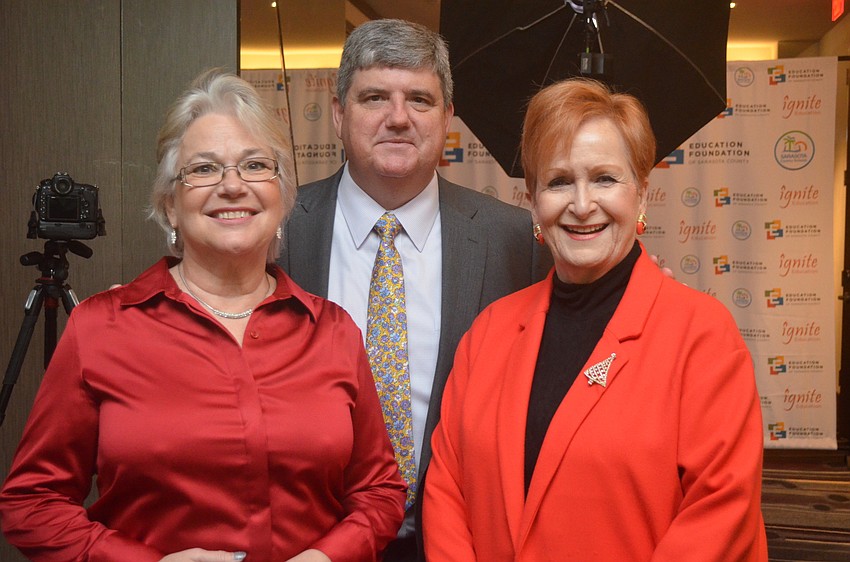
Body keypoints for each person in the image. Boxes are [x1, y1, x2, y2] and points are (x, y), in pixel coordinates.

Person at [0, 69, 405, 562]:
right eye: (205, 169)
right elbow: (32, 504)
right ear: (171, 204)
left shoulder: (333, 332)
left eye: (255, 165)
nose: (232, 186)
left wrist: (329, 556)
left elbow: (380, 491)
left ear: (281, 196)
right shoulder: (101, 329)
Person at [423, 78, 768, 561]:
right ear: (533, 200)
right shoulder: (489, 332)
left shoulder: (702, 336)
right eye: (559, 181)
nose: (582, 205)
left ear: (642, 195)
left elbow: (721, 514)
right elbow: (446, 487)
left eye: (605, 178)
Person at [278, 19, 551, 561]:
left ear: (448, 118)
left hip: (461, 541)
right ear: (338, 113)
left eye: (420, 100)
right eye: (375, 96)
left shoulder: (516, 240)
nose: (398, 118)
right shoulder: (279, 230)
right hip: (306, 542)